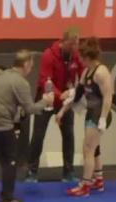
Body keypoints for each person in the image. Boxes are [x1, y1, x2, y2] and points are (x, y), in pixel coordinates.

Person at [0, 50, 54, 202]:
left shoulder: (0, 76)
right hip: (1, 123)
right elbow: (30, 108)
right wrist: (46, 101)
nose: (31, 69)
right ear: (26, 64)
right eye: (31, 66)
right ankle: (7, 197)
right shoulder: (20, 82)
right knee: (9, 160)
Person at [26, 28, 84, 183]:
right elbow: (45, 80)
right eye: (72, 44)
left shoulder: (76, 56)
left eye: (77, 44)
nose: (75, 47)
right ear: (63, 42)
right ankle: (31, 172)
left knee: (69, 135)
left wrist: (75, 92)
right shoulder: (49, 55)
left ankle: (68, 172)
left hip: (65, 100)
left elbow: (84, 75)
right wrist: (59, 94)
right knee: (38, 135)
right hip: (47, 97)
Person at [64, 37, 113, 197]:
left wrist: (103, 118)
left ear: (87, 57)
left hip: (99, 114)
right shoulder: (86, 72)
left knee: (88, 149)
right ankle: (98, 180)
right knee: (94, 148)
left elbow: (108, 97)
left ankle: (85, 186)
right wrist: (62, 111)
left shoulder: (101, 72)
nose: (79, 59)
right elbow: (77, 95)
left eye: (81, 56)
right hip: (91, 113)